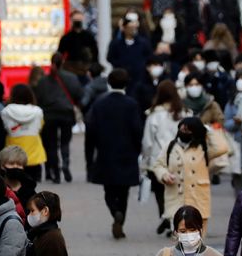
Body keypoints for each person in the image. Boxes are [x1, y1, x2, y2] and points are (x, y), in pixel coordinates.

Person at [85, 68, 144, 239]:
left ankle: (115, 211)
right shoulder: (132, 105)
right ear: (126, 83)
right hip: (126, 154)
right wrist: (137, 150)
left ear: (109, 83)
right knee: (124, 192)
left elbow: (91, 132)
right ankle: (121, 218)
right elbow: (137, 130)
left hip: (105, 154)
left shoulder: (99, 104)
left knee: (108, 190)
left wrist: (90, 158)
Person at [152, 116, 229, 230]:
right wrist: (164, 175)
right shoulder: (170, 147)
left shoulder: (203, 148)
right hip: (176, 198)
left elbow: (222, 147)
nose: (183, 132)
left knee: (197, 238)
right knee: (179, 237)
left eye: (187, 130)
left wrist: (208, 131)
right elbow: (158, 165)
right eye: (181, 129)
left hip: (197, 198)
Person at [142, 80, 189, 236]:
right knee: (178, 193)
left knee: (161, 193)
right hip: (181, 158)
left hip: (158, 160)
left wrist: (145, 161)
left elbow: (147, 142)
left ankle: (167, 217)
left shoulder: (154, 115)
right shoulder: (184, 113)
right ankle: (174, 221)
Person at [33, 54, 82, 183]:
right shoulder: (71, 78)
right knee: (65, 141)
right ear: (63, 62)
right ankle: (65, 163)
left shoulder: (43, 81)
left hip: (49, 115)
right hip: (66, 113)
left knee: (52, 144)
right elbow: (78, 94)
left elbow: (38, 98)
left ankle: (55, 172)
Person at [1, 83, 47, 182]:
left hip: (13, 155)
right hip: (34, 153)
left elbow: (4, 129)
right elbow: (40, 127)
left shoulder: (6, 111)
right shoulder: (38, 111)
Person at [224, 71, 242, 192]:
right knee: (238, 176)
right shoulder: (232, 103)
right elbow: (226, 124)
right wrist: (235, 123)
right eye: (240, 78)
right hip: (236, 143)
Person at [107, 14, 154, 91]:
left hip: (139, 76)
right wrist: (119, 65)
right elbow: (110, 57)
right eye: (130, 28)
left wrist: (141, 65)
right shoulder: (116, 43)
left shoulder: (143, 43)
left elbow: (149, 56)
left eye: (134, 28)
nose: (132, 30)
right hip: (121, 78)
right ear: (124, 28)